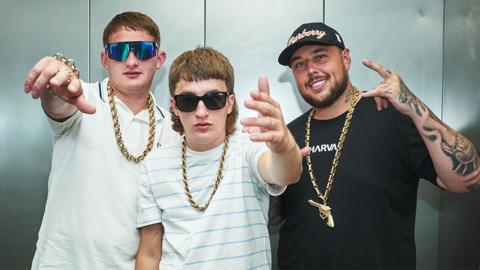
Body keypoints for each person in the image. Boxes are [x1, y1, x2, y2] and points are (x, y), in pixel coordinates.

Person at [273, 22, 480, 269]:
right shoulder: (287, 136)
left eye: (320, 57)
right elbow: (273, 219)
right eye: (299, 64)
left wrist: (412, 104)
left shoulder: (393, 118)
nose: (311, 70)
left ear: (345, 58)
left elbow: (468, 179)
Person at [23, 12, 177, 269]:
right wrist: (56, 84)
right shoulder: (82, 98)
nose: (131, 60)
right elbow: (59, 103)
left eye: (143, 50)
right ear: (105, 59)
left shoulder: (173, 127)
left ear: (159, 58)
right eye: (119, 51)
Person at [134, 47, 302, 269]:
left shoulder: (248, 149)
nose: (201, 112)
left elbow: (286, 173)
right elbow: (149, 253)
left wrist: (283, 146)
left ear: (230, 103)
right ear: (174, 107)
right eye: (188, 101)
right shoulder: (154, 164)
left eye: (214, 99)